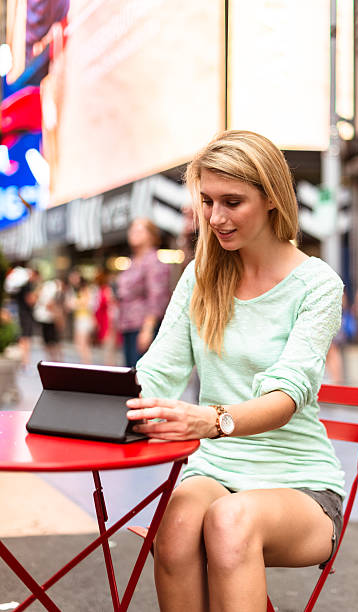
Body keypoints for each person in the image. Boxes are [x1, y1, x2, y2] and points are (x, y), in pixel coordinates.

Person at [126, 130, 345, 611]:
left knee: (229, 521)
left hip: (300, 484)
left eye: (232, 201)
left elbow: (287, 398)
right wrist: (100, 403)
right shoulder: (201, 277)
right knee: (178, 527)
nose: (216, 218)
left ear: (271, 198)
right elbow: (159, 373)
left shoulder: (317, 284)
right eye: (207, 201)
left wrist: (212, 420)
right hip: (215, 470)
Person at [116, 218, 171, 368]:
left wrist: (148, 329)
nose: (133, 233)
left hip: (142, 327)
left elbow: (157, 297)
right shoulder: (133, 261)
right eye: (132, 229)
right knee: (129, 374)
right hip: (127, 325)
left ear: (151, 235)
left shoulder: (154, 261)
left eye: (139, 230)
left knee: (141, 377)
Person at [33, 276, 64, 361]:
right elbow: (49, 305)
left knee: (50, 341)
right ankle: (54, 360)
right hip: (49, 318)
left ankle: (52, 360)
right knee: (52, 341)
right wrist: (58, 314)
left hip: (46, 318)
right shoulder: (52, 288)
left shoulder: (48, 287)